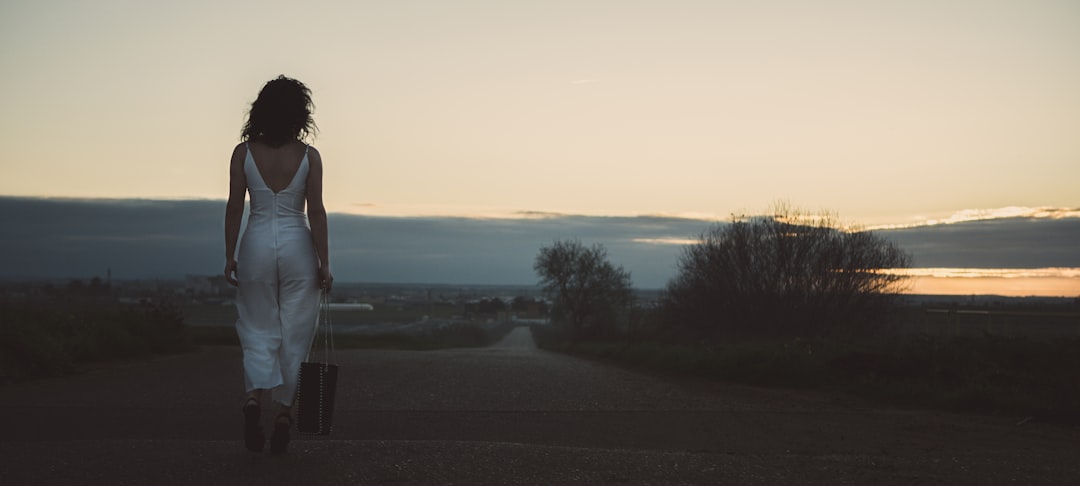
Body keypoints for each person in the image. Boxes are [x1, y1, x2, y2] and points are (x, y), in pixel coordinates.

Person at [223, 75, 333, 453]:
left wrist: (229, 254)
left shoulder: (243, 153)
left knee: (256, 325)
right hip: (297, 245)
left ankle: (253, 398)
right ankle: (284, 412)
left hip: (254, 241)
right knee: (297, 330)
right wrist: (325, 262)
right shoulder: (309, 157)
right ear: (299, 114)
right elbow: (315, 211)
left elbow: (235, 205)